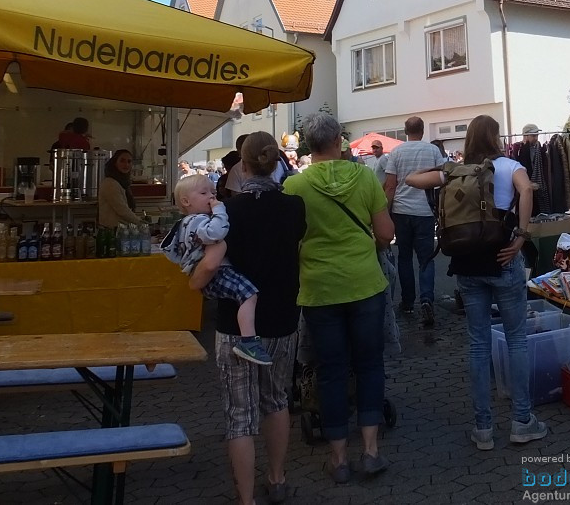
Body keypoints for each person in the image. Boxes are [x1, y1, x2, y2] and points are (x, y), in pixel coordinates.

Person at [405, 114, 548, 450]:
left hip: (466, 264)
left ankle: (483, 428)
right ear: (495, 136)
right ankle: (522, 421)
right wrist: (521, 236)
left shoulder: (455, 170)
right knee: (516, 340)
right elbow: (527, 190)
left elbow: (411, 180)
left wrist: (445, 168)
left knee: (479, 344)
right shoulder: (509, 166)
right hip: (504, 259)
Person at [190, 131, 306, 505]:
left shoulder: (226, 213)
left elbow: (207, 266)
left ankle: (246, 498)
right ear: (277, 163)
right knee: (276, 400)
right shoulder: (295, 207)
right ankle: (277, 478)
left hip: (233, 324)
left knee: (239, 413)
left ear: (242, 164)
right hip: (282, 316)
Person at [283, 112, 394, 484]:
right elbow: (385, 234)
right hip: (365, 285)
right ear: (338, 142)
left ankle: (339, 459)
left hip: (319, 289)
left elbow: (290, 243)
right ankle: (371, 451)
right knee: (369, 365)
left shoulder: (295, 186)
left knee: (330, 371)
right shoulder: (364, 177)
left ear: (308, 145)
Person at [162, 173, 272, 366]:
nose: (212, 198)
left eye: (213, 192)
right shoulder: (196, 221)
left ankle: (248, 339)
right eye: (204, 193)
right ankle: (248, 341)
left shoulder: (188, 222)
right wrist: (221, 211)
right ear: (186, 201)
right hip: (218, 272)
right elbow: (216, 233)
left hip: (210, 274)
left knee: (247, 294)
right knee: (249, 294)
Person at [382, 116, 446, 327]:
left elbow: (390, 185)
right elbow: (443, 180)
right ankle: (426, 298)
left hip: (401, 211)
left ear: (405, 131)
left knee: (405, 258)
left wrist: (386, 211)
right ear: (423, 129)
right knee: (426, 258)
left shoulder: (397, 152)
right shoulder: (433, 151)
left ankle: (408, 301)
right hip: (425, 211)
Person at [98, 149, 142, 227]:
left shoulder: (123, 182)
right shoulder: (110, 183)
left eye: (129, 161)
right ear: (115, 163)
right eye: (122, 161)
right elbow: (122, 210)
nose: (126, 164)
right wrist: (141, 223)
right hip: (111, 232)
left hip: (121, 230)